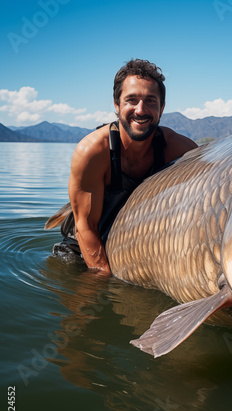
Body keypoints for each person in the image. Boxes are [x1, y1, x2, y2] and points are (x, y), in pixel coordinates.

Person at [55, 59, 198, 275]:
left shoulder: (180, 149)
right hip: (84, 247)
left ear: (162, 107)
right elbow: (84, 227)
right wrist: (104, 278)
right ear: (116, 104)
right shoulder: (93, 152)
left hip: (135, 245)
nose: (141, 110)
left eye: (150, 101)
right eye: (131, 100)